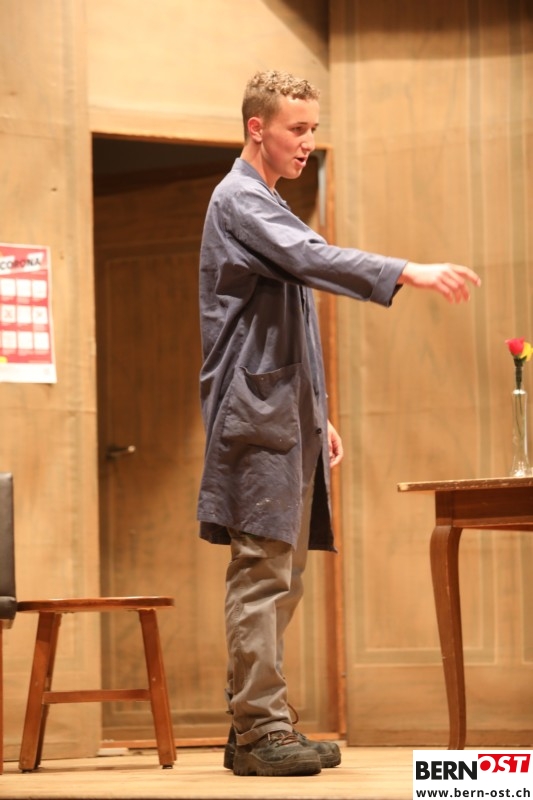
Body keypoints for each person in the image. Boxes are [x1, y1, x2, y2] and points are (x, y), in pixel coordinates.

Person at [196, 70, 481, 778]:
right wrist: (407, 270)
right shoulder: (239, 199)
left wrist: (317, 414)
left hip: (283, 415)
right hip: (254, 418)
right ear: (257, 128)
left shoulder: (266, 200)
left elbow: (288, 325)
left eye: (313, 129)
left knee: (282, 574)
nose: (307, 142)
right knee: (263, 573)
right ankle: (260, 730)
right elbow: (311, 260)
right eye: (297, 129)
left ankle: (254, 724)